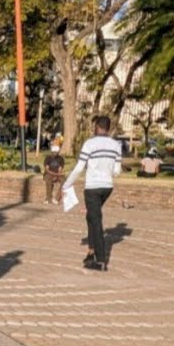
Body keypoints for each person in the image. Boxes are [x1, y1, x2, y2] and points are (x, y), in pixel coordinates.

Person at [63, 115, 123, 272]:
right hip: (107, 187)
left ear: (97, 127)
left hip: (92, 188)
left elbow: (79, 168)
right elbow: (117, 171)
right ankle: (91, 250)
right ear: (108, 128)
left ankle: (101, 260)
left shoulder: (89, 144)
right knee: (91, 215)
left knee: (96, 221)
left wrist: (66, 184)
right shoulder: (116, 145)